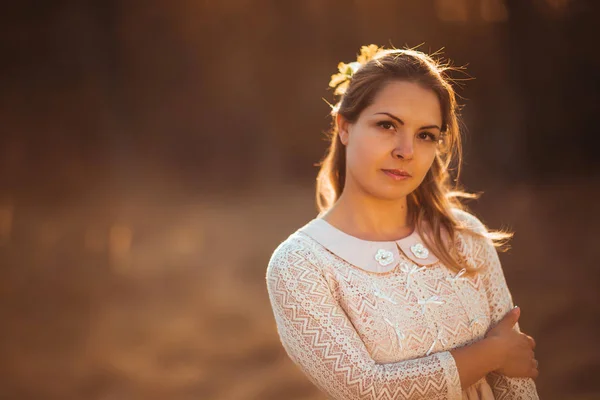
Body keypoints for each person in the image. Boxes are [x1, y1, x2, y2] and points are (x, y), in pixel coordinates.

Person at [265, 45, 539, 399]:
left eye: (425, 135)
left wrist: (504, 359)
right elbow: (366, 389)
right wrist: (490, 355)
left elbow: (516, 383)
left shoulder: (464, 237)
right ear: (344, 126)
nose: (406, 151)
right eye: (387, 125)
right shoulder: (301, 265)